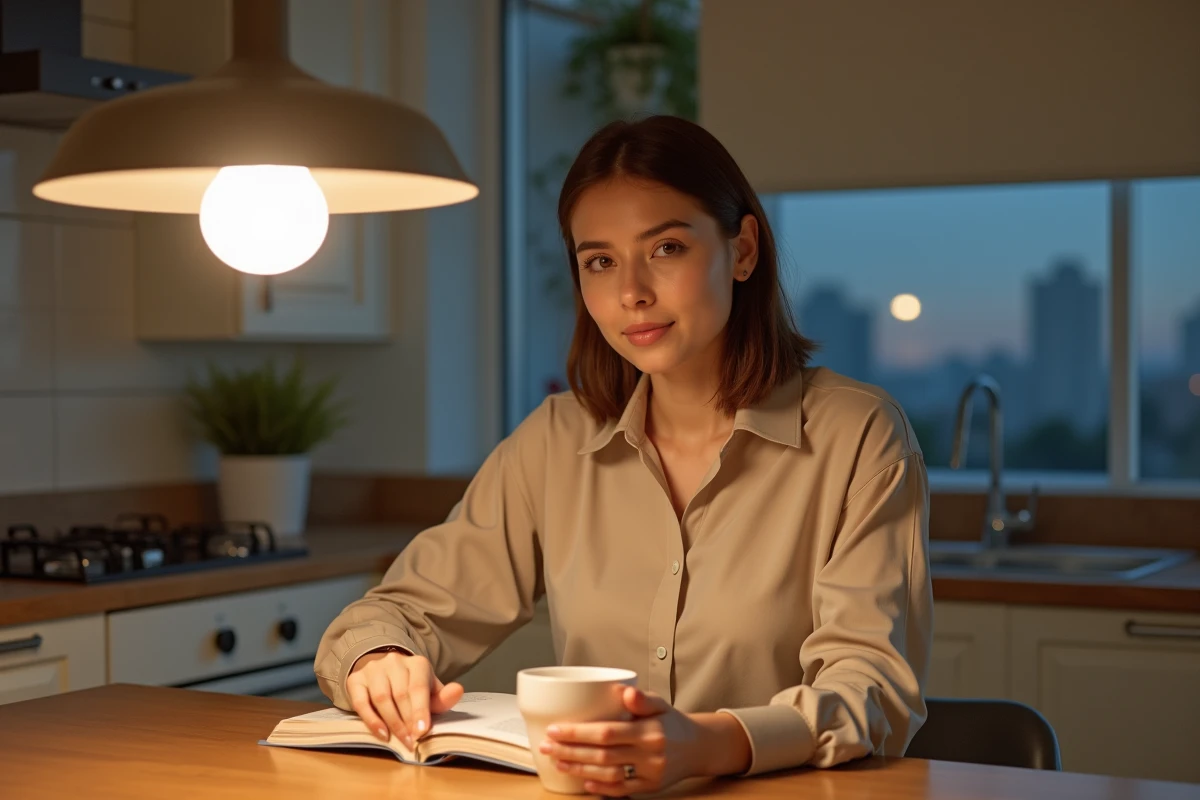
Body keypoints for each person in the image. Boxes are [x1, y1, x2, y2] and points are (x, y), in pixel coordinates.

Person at [315, 115, 932, 796]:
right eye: (599, 261)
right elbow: (397, 612)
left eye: (665, 248)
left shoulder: (859, 435)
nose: (631, 291)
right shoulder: (555, 441)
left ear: (744, 249)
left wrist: (706, 744)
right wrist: (380, 658)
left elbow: (871, 688)